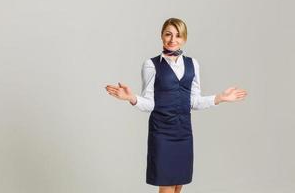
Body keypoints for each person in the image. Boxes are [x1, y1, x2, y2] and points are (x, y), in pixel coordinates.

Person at [105, 17, 247, 193]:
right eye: (168, 34)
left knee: (178, 186)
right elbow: (149, 104)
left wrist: (220, 97)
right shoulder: (151, 65)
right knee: (167, 185)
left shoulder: (192, 64)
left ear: (184, 39)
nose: (173, 40)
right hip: (162, 132)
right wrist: (131, 97)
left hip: (184, 132)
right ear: (161, 36)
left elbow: (194, 101)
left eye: (178, 36)